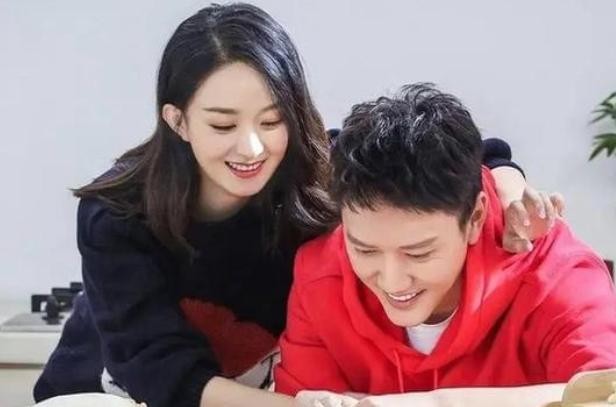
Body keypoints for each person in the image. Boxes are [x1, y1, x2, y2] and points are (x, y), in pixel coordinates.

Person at [33, 5, 559, 407]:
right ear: (177, 121)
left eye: (271, 120)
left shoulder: (318, 168)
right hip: (109, 392)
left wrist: (512, 192)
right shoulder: (117, 214)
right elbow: (164, 374)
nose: (251, 148)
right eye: (222, 124)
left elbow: (456, 152)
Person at [275, 83, 616, 406]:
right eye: (365, 250)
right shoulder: (320, 275)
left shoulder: (557, 277)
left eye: (419, 253)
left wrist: (435, 402)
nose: (393, 281)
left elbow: (606, 395)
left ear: (475, 217)